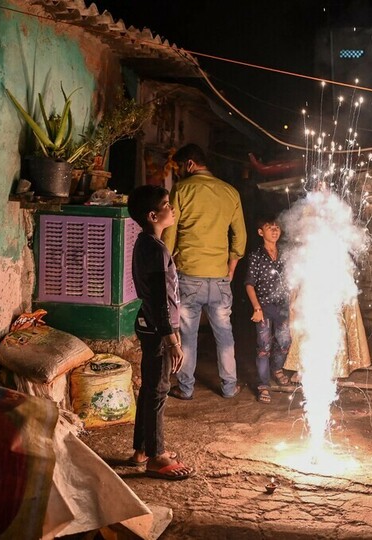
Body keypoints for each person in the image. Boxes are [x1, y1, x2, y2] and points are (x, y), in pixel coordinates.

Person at [162, 144, 247, 399]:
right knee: (225, 335)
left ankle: (185, 388)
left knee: (188, 336)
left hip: (189, 275)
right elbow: (240, 237)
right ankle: (229, 387)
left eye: (179, 167)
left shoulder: (181, 189)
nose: (178, 172)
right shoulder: (230, 192)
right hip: (220, 277)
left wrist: (166, 266)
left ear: (189, 164)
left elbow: (170, 234)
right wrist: (231, 268)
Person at [126, 185, 195, 480]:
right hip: (157, 327)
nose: (172, 209)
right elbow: (158, 297)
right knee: (158, 390)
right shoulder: (154, 249)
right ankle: (157, 457)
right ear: (153, 216)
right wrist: (171, 338)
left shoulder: (148, 244)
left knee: (151, 387)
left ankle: (142, 449)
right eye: (167, 205)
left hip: (151, 323)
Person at [245, 217, 292, 404]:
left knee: (284, 342)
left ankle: (277, 369)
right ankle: (263, 385)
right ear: (260, 232)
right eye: (269, 227)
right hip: (264, 307)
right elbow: (249, 284)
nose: (274, 231)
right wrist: (256, 308)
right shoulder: (256, 255)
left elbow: (292, 279)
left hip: (283, 306)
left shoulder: (285, 254)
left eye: (277, 227)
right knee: (264, 347)